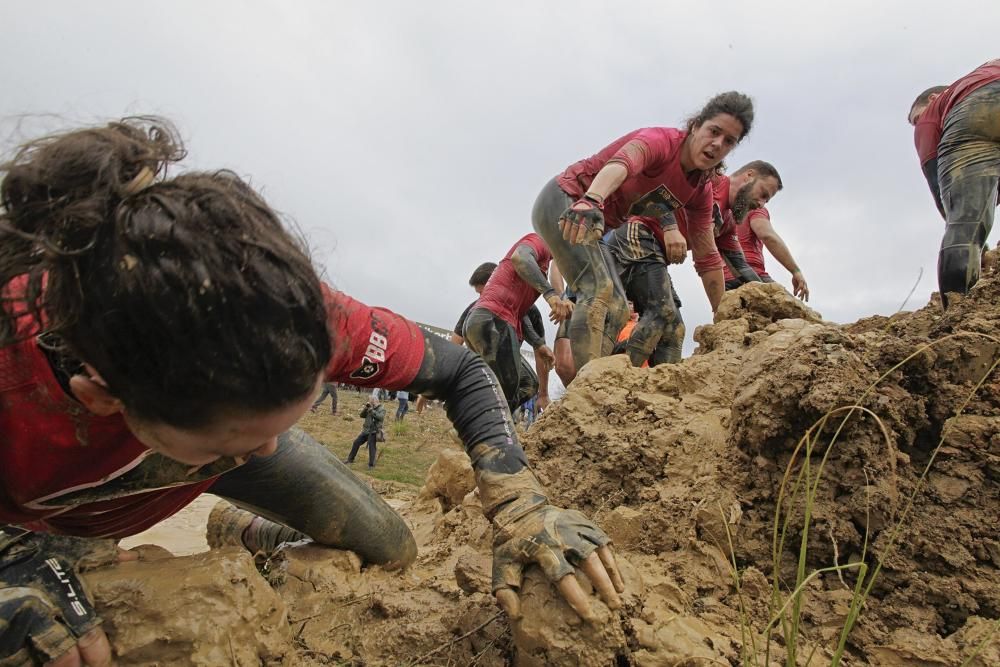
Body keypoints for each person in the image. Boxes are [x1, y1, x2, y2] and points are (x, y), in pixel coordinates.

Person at [0, 118, 624, 666]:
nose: (271, 449)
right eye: (237, 436)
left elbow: (463, 371)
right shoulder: (16, 385)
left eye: (279, 422)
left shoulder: (303, 315)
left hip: (168, 450)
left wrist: (521, 505)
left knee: (390, 545)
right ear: (104, 393)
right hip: (43, 505)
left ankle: (239, 528)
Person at [534, 91, 755, 372]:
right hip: (567, 201)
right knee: (599, 290)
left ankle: (605, 382)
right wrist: (591, 200)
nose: (717, 144)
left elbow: (708, 257)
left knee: (617, 307)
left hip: (598, 227)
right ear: (696, 125)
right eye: (714, 131)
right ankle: (588, 388)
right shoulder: (660, 142)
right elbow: (623, 163)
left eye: (729, 142)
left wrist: (721, 314)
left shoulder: (700, 190)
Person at [908, 59, 1000, 308]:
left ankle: (959, 314)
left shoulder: (934, 109)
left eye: (915, 119)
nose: (918, 125)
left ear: (934, 98)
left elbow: (935, 175)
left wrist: (972, 242)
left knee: (964, 226)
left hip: (978, 110)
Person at [463, 233, 572, 413]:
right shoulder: (539, 241)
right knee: (505, 392)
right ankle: (477, 429)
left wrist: (538, 344)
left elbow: (521, 313)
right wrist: (550, 294)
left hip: (494, 324)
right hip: (492, 320)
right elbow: (519, 257)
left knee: (528, 384)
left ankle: (481, 426)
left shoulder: (543, 266)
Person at [346, 397, 386, 468]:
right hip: (366, 431)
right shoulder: (369, 407)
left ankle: (371, 465)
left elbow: (380, 417)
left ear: (376, 401)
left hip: (373, 431)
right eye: (369, 401)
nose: (370, 402)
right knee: (356, 443)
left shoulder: (382, 409)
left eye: (371, 401)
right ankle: (350, 459)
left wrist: (371, 410)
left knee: (372, 447)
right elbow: (362, 415)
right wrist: (366, 408)